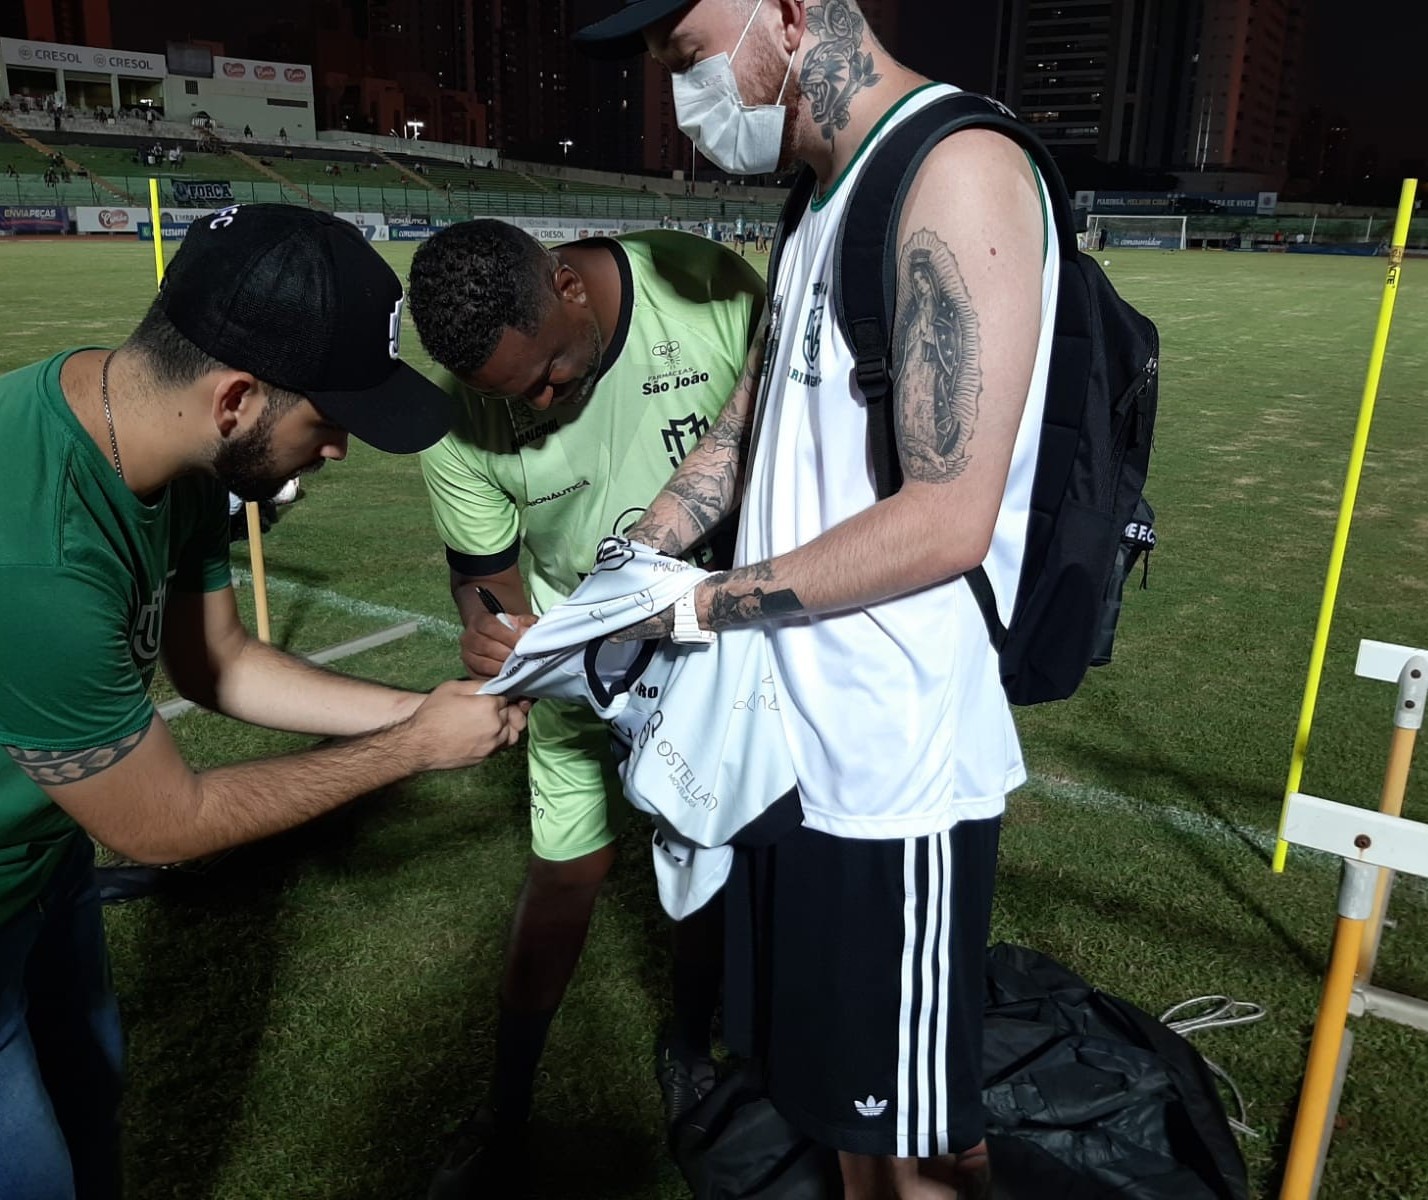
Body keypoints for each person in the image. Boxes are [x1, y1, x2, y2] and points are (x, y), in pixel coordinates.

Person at [575, 1, 1060, 1196]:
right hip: (787, 744)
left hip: (891, 768)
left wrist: (700, 608)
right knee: (844, 1108)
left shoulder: (956, 168)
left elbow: (948, 518)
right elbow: (750, 428)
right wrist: (641, 558)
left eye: (684, 56)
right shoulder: (815, 195)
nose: (679, 94)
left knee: (922, 1137)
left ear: (789, 12)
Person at [0, 204, 527, 1200]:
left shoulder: (155, 433)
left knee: (91, 1098)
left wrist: (419, 708)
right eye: (328, 421)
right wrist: (410, 750)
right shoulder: (36, 561)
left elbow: (220, 664)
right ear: (238, 397)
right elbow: (164, 824)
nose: (337, 451)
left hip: (43, 859)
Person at [407, 217, 764, 1196]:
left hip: (719, 644)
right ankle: (507, 1113)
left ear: (567, 285)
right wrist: (491, 628)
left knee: (708, 851)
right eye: (517, 399)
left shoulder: (708, 290)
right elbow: (485, 578)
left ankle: (692, 1052)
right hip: (581, 662)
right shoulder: (458, 416)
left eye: (552, 376)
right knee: (563, 877)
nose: (543, 405)